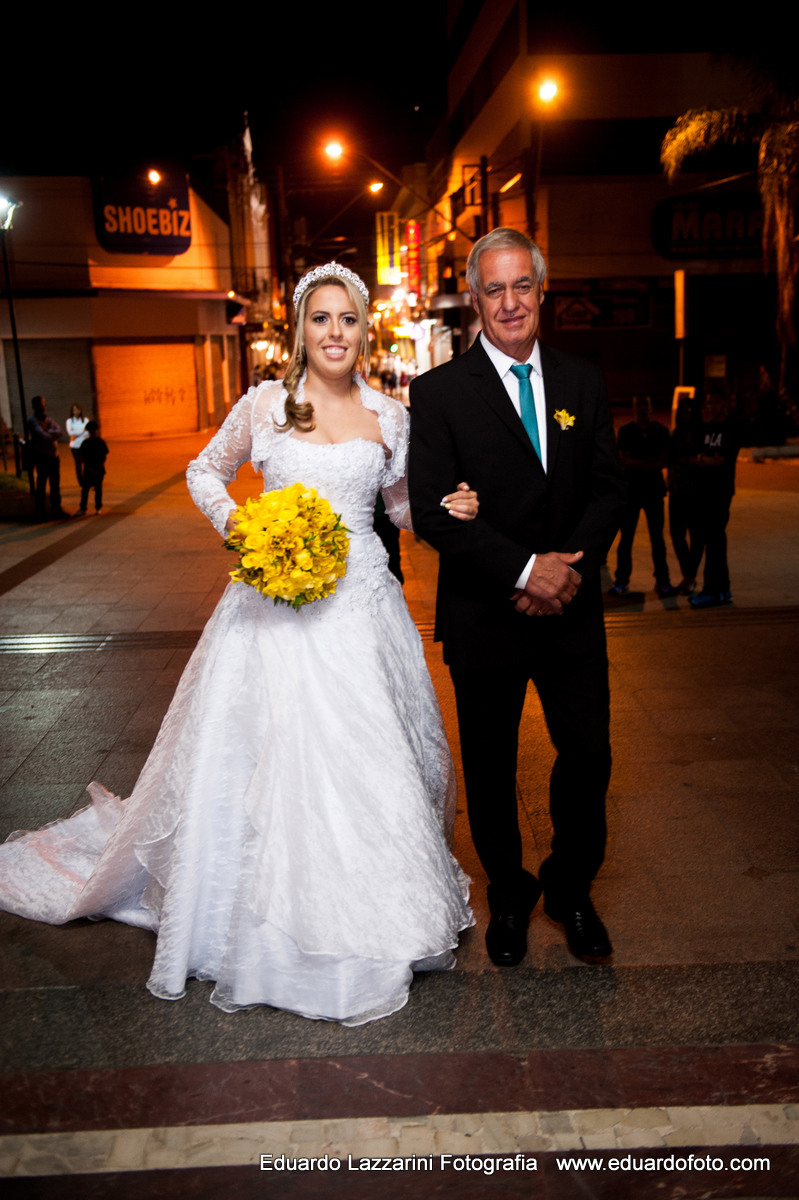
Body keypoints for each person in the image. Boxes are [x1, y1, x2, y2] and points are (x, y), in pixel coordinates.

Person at [0, 262, 479, 1026]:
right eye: (320, 319)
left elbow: (399, 508)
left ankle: (372, 906)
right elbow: (204, 470)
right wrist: (245, 526)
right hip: (272, 610)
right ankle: (250, 912)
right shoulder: (263, 405)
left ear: (365, 330)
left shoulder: (390, 417)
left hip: (360, 608)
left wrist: (447, 507)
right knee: (264, 756)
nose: (335, 333)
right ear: (300, 330)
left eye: (348, 320)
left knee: (366, 753)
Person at [408, 227, 625, 968]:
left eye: (520, 286)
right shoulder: (436, 394)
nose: (509, 302)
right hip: (484, 614)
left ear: (541, 290)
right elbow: (435, 510)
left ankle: (568, 887)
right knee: (490, 765)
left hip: (570, 612)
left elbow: (607, 487)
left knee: (588, 754)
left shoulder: (581, 380)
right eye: (493, 289)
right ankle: (509, 890)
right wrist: (521, 570)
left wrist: (562, 570)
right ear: (474, 300)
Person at [609, 396, 678, 598]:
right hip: (631, 492)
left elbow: (664, 460)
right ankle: (622, 581)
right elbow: (624, 460)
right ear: (634, 408)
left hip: (654, 492)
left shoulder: (660, 431)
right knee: (626, 539)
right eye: (638, 404)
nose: (641, 409)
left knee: (658, 539)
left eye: (645, 404)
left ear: (651, 407)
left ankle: (663, 581)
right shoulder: (627, 431)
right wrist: (651, 462)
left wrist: (638, 463)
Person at [688, 389, 739, 609]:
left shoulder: (731, 429)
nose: (709, 406)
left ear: (724, 404)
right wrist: (704, 459)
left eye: (714, 402)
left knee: (714, 540)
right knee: (714, 541)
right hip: (703, 493)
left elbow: (721, 460)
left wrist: (703, 459)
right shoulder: (705, 428)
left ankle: (711, 590)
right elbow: (692, 456)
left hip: (720, 493)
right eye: (708, 403)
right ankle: (722, 588)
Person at [27, 395, 70, 521]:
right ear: (34, 407)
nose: (42, 407)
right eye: (39, 404)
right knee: (41, 485)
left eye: (43, 404)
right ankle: (40, 512)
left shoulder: (48, 419)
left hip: (53, 457)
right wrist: (52, 434)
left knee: (55, 485)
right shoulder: (32, 420)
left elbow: (60, 431)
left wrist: (49, 433)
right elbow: (41, 435)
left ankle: (56, 509)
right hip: (42, 457)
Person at [77, 420, 110, 514]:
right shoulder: (85, 443)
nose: (92, 432)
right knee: (85, 489)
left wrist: (98, 468)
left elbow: (104, 457)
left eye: (93, 430)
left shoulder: (100, 442)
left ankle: (97, 507)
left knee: (98, 489)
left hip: (97, 469)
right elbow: (82, 457)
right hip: (89, 470)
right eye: (90, 430)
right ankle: (83, 507)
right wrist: (89, 468)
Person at [66, 403, 89, 485]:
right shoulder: (69, 421)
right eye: (74, 410)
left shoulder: (85, 420)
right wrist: (82, 431)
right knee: (78, 464)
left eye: (77, 409)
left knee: (86, 463)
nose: (76, 411)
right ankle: (81, 481)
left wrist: (76, 434)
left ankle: (87, 479)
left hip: (84, 445)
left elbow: (87, 432)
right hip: (74, 446)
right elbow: (70, 433)